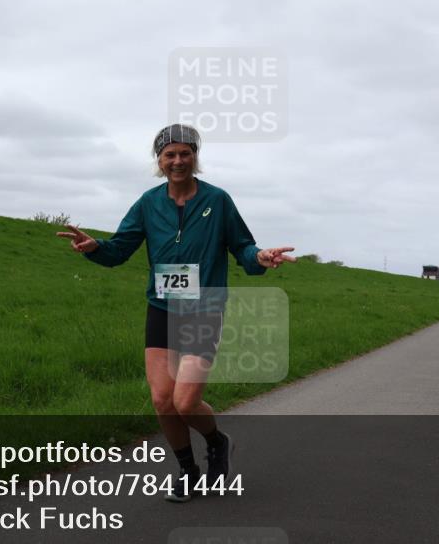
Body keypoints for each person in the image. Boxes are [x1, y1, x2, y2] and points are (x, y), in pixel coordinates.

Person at [57, 124, 295, 503]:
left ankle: (217, 442)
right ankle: (187, 470)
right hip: (162, 308)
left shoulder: (218, 201)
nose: (178, 161)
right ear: (160, 160)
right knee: (162, 400)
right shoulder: (149, 203)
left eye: (185, 153)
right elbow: (119, 249)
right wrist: (93, 247)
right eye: (170, 155)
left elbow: (244, 248)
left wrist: (261, 258)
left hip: (205, 310)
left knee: (185, 401)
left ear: (195, 157)